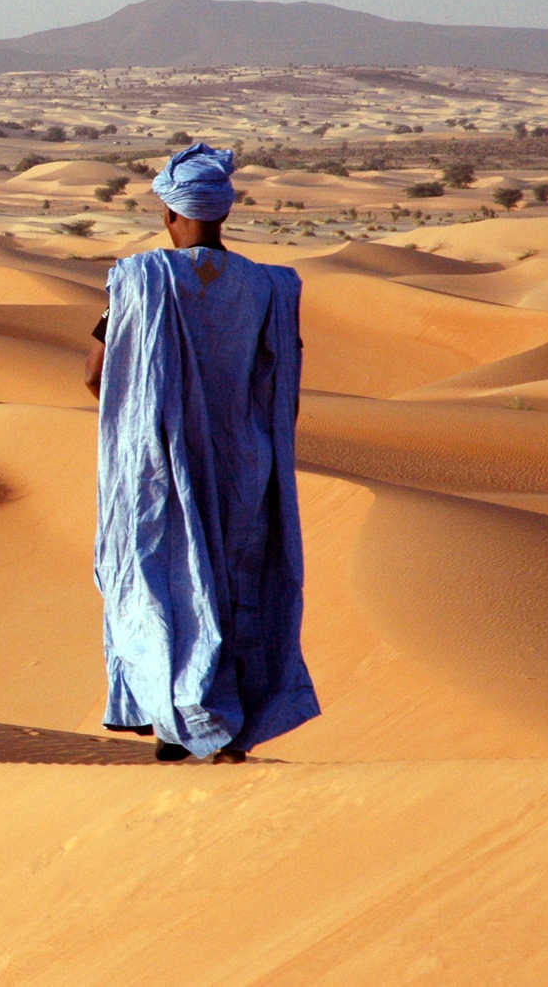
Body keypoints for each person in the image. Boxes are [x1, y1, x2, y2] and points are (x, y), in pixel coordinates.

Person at [83, 142, 319, 763]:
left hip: (162, 466)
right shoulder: (270, 288)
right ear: (223, 213)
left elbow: (96, 375)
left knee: (163, 582)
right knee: (239, 584)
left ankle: (174, 724)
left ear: (168, 213)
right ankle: (228, 728)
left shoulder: (139, 279)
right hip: (247, 465)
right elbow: (284, 381)